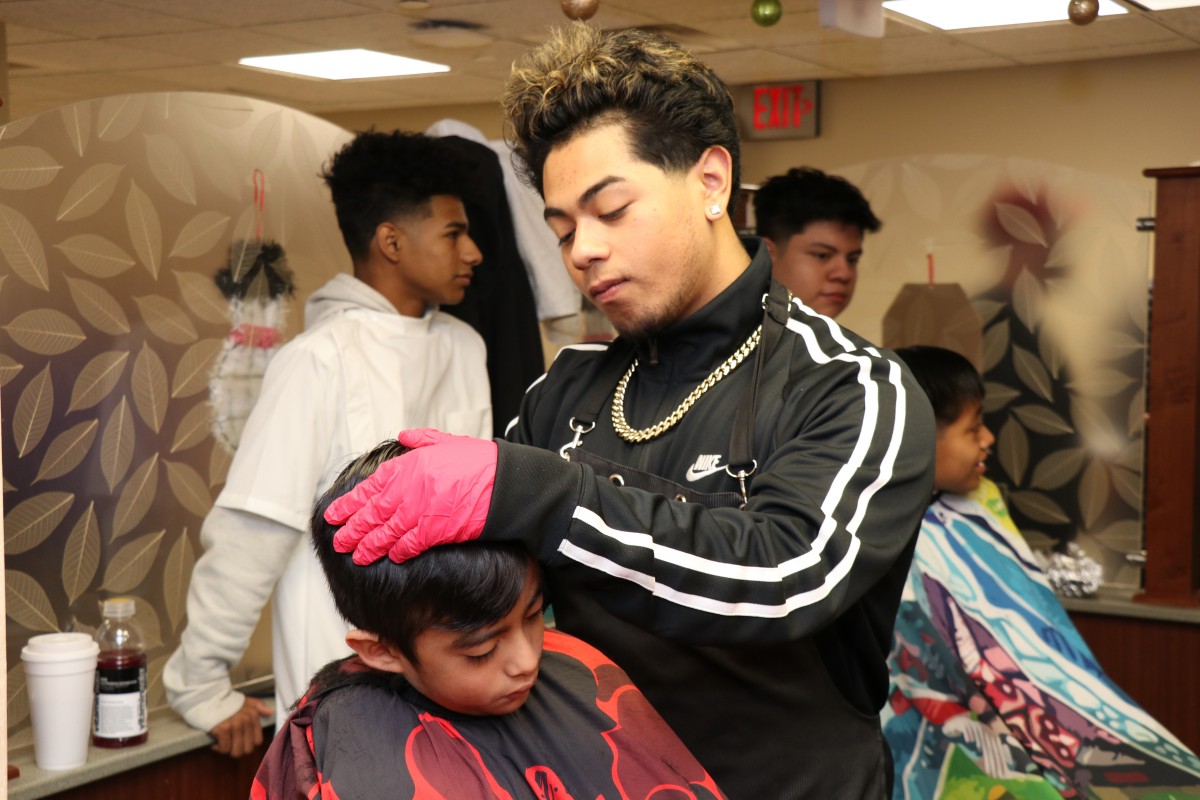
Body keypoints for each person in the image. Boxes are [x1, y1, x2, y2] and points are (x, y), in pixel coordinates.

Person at [322, 24, 936, 799]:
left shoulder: (849, 386)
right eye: (564, 228)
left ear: (711, 180)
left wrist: (532, 491)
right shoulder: (566, 389)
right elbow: (495, 595)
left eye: (610, 210)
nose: (583, 250)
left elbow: (789, 575)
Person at [164, 130, 492, 758]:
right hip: (342, 685)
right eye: (454, 234)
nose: (473, 252)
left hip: (453, 678)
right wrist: (201, 684)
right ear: (391, 241)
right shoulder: (315, 361)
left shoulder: (463, 347)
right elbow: (253, 530)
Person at [252, 439, 726, 799]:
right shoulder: (353, 743)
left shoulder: (577, 666)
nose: (526, 659)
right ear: (382, 651)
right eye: (481, 650)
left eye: (536, 615)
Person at [886, 346, 1200, 798]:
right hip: (942, 729)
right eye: (973, 428)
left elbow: (1035, 631)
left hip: (1038, 712)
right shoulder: (890, 535)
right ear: (916, 438)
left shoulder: (980, 504)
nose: (989, 439)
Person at [753, 166, 881, 318]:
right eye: (822, 255)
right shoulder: (727, 335)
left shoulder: (838, 340)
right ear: (767, 255)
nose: (844, 274)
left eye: (852, 260)